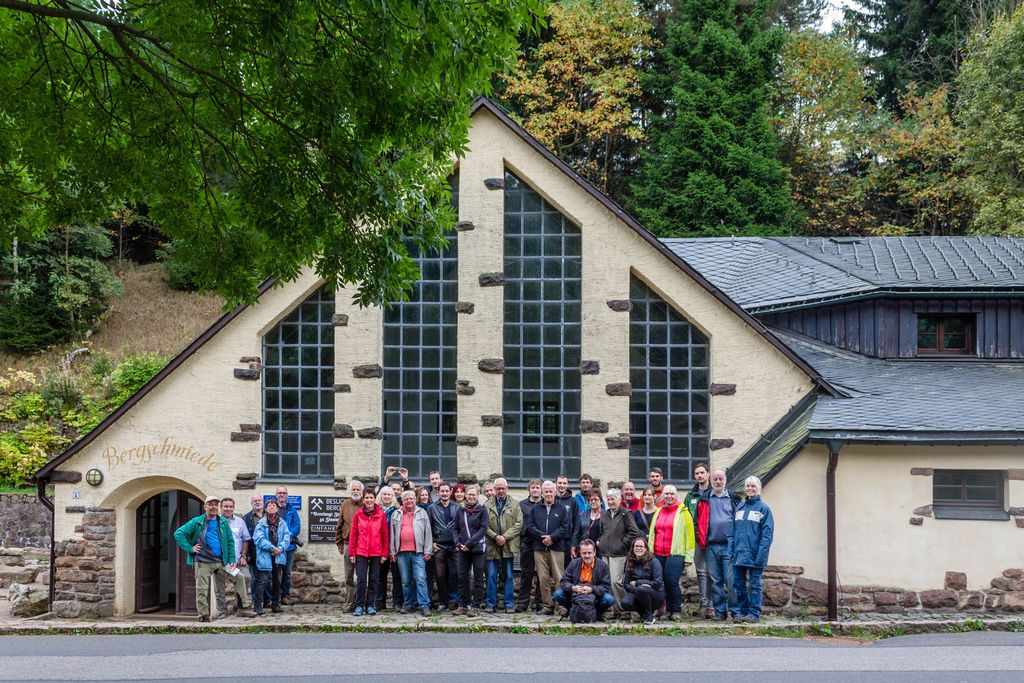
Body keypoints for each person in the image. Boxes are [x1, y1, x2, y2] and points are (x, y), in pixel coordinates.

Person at [173, 495, 255, 621]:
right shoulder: (196, 522)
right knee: (202, 590)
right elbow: (178, 533)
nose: (213, 507)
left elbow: (229, 542)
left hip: (222, 562)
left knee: (239, 577)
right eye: (210, 504)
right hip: (203, 562)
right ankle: (203, 616)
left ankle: (244, 607)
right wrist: (190, 548)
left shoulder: (222, 522)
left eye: (216, 504)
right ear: (205, 506)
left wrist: (232, 560)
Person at [646, 484, 694, 621]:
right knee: (660, 582)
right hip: (658, 553)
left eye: (672, 494)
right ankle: (664, 609)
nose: (669, 496)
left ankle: (676, 610)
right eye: (666, 494)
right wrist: (650, 553)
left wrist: (688, 557)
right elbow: (652, 533)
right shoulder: (659, 511)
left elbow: (690, 536)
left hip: (676, 554)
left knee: (672, 582)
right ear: (663, 496)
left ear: (676, 495)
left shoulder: (684, 512)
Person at [700, 469, 742, 621]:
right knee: (716, 581)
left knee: (731, 580)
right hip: (711, 546)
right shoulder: (704, 499)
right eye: (715, 479)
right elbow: (699, 521)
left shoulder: (734, 498)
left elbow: (740, 522)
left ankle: (735, 611)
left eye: (720, 479)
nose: (718, 482)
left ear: (725, 480)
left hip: (729, 546)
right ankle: (720, 612)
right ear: (711, 481)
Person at [732, 476, 774, 623]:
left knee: (755, 585)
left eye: (753, 486)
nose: (750, 489)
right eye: (748, 486)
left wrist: (761, 556)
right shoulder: (740, 508)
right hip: (738, 555)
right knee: (739, 585)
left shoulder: (764, 509)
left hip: (755, 555)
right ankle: (743, 612)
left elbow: (767, 536)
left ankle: (754, 614)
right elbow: (732, 532)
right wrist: (732, 551)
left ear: (758, 489)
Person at [526, 480, 572, 615]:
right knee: (543, 578)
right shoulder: (535, 509)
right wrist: (543, 537)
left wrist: (552, 537)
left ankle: (561, 605)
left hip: (557, 548)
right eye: (546, 491)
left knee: (559, 578)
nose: (548, 494)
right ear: (542, 492)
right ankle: (548, 606)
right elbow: (530, 526)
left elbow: (565, 527)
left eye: (551, 491)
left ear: (555, 492)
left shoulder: (561, 509)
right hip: (539, 548)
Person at [390, 490, 434, 616]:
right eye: (406, 499)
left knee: (420, 578)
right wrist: (392, 551)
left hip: (418, 552)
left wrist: (428, 551)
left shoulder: (422, 512)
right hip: (401, 553)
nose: (409, 501)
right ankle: (408, 604)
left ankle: (424, 605)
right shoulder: (396, 514)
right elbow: (392, 534)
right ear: (402, 501)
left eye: (411, 498)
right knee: (405, 580)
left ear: (415, 499)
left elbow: (428, 533)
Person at [596, 488, 639, 614]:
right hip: (605, 554)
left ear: (619, 500)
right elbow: (601, 532)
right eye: (608, 499)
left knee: (616, 582)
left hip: (619, 554)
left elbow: (634, 532)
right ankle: (613, 610)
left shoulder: (626, 513)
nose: (610, 502)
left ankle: (623, 610)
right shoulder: (604, 514)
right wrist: (600, 541)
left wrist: (622, 544)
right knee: (607, 583)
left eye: (612, 499)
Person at [348, 487, 389, 616]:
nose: (369, 500)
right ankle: (359, 605)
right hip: (361, 552)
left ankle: (370, 605)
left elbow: (385, 535)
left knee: (374, 579)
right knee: (361, 579)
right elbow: (353, 534)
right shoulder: (358, 514)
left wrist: (384, 553)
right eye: (367, 497)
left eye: (371, 497)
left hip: (377, 552)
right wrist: (352, 553)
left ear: (375, 499)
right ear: (363, 499)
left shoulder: (381, 514)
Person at [484, 477, 522, 614]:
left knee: (509, 576)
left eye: (503, 488)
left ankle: (509, 604)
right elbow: (484, 525)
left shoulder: (515, 505)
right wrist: (495, 536)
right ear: (494, 490)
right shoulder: (487, 505)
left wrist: (505, 537)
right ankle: (490, 604)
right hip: (492, 545)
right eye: (498, 488)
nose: (500, 491)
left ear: (507, 488)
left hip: (508, 545)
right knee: (492, 575)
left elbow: (519, 524)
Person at [553, 539, 615, 621]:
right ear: (580, 553)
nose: (587, 556)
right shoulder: (573, 564)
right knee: (557, 594)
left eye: (589, 553)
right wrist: (573, 588)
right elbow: (564, 581)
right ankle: (576, 610)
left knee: (609, 599)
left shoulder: (603, 566)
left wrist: (591, 589)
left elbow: (606, 586)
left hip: (594, 596)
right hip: (576, 594)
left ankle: (595, 613)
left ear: (594, 552)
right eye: (584, 553)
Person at [453, 485, 488, 616]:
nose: (471, 497)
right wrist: (458, 542)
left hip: (478, 548)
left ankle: (476, 606)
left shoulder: (482, 510)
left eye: (474, 494)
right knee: (462, 576)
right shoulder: (460, 510)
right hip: (462, 549)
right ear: (465, 495)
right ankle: (463, 605)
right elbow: (455, 528)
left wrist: (469, 543)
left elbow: (483, 529)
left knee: (478, 577)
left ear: (478, 496)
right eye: (469, 494)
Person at [252, 498, 291, 615]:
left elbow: (286, 537)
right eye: (269, 506)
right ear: (265, 509)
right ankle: (258, 606)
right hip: (266, 555)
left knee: (277, 581)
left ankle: (276, 605)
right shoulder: (261, 523)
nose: (272, 507)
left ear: (277, 508)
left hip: (278, 556)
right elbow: (258, 539)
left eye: (274, 505)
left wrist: (280, 548)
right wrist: (272, 548)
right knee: (262, 581)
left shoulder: (282, 523)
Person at [683, 463, 712, 618]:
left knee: (712, 572)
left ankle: (713, 606)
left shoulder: (715, 493)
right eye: (697, 473)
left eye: (702, 472)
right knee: (701, 571)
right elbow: (686, 517)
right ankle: (703, 604)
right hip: (695, 537)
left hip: (712, 537)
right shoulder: (691, 495)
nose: (700, 475)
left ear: (708, 473)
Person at [428, 481, 460, 610]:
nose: (445, 493)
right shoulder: (432, 508)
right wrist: (432, 543)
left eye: (447, 491)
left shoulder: (457, 507)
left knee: (455, 573)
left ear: (450, 491)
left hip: (454, 546)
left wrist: (459, 542)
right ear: (438, 492)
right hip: (439, 545)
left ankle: (454, 600)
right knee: (440, 575)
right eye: (442, 491)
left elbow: (460, 527)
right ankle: (443, 602)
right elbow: (428, 527)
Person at [335, 479, 364, 613]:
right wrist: (339, 544)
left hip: (363, 545)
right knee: (349, 575)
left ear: (361, 491)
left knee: (361, 575)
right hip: (347, 544)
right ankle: (349, 602)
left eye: (358, 489)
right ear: (350, 491)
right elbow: (339, 525)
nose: (356, 492)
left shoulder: (366, 504)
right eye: (354, 489)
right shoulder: (345, 504)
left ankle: (359, 602)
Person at [621, 537, 664, 625]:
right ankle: (643, 614)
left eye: (641, 546)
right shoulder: (630, 562)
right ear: (632, 548)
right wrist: (636, 590)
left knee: (641, 589)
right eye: (636, 546)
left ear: (646, 548)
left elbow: (657, 583)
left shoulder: (654, 562)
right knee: (625, 603)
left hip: (656, 594)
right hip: (638, 592)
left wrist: (638, 583)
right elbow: (626, 584)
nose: (638, 548)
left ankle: (649, 615)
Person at [515, 478, 543, 613]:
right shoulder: (522, 505)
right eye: (533, 488)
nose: (535, 490)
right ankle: (522, 603)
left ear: (541, 490)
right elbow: (519, 524)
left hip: (542, 544)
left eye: (538, 487)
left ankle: (539, 603)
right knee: (526, 575)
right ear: (529, 490)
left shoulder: (546, 504)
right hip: (527, 543)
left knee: (542, 575)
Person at [220, 497, 252, 613]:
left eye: (230, 507)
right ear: (221, 507)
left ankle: (239, 604)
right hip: (224, 562)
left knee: (247, 577)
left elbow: (245, 540)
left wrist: (243, 556)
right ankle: (242, 606)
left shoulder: (239, 521)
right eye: (226, 506)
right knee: (239, 578)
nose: (228, 509)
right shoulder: (216, 522)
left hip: (238, 559)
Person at [375, 487, 403, 612]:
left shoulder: (397, 511)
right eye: (384, 494)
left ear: (393, 497)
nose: (386, 496)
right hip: (380, 548)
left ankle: (397, 602)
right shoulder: (376, 510)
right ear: (380, 496)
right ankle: (380, 602)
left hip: (395, 547)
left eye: (389, 494)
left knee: (397, 576)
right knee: (380, 575)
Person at [242, 493, 270, 607]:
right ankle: (255, 601)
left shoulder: (269, 515)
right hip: (253, 553)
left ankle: (267, 601)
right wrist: (246, 554)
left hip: (267, 552)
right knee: (254, 578)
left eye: (259, 500)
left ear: (262, 502)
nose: (257, 502)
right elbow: (244, 538)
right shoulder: (246, 518)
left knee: (268, 578)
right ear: (251, 503)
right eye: (255, 501)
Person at [275, 486, 301, 600]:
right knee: (274, 573)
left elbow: (297, 526)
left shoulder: (292, 510)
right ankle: (274, 596)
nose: (281, 495)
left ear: (287, 495)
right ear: (276, 495)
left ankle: (285, 595)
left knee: (287, 573)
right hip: (274, 547)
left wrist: (288, 536)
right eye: (279, 493)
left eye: (284, 493)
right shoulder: (272, 509)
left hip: (289, 547)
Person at [572, 490, 604, 559]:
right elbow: (577, 533)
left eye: (595, 499)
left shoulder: (605, 515)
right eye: (591, 500)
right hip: (585, 549)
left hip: (601, 550)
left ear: (601, 501)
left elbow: (607, 533)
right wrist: (573, 546)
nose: (593, 502)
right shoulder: (582, 515)